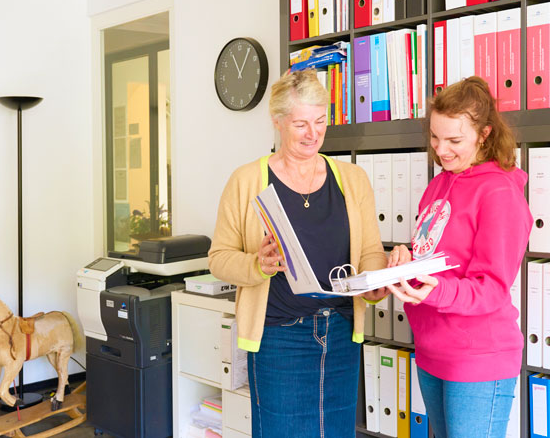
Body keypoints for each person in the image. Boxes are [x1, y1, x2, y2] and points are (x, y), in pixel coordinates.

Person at [208, 69, 388, 438]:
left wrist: (375, 283)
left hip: (339, 331)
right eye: (301, 123)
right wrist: (256, 265)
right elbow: (219, 257)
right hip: (279, 337)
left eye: (320, 121)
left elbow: (370, 249)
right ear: (277, 122)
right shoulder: (245, 181)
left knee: (336, 432)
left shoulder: (353, 179)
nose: (313, 134)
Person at [387, 76, 533, 438]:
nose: (442, 150)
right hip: (431, 349)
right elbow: (434, 252)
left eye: (454, 140)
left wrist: (435, 292)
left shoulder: (499, 193)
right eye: (435, 138)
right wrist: (406, 257)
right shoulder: (439, 184)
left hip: (479, 357)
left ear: (484, 134)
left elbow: (492, 289)